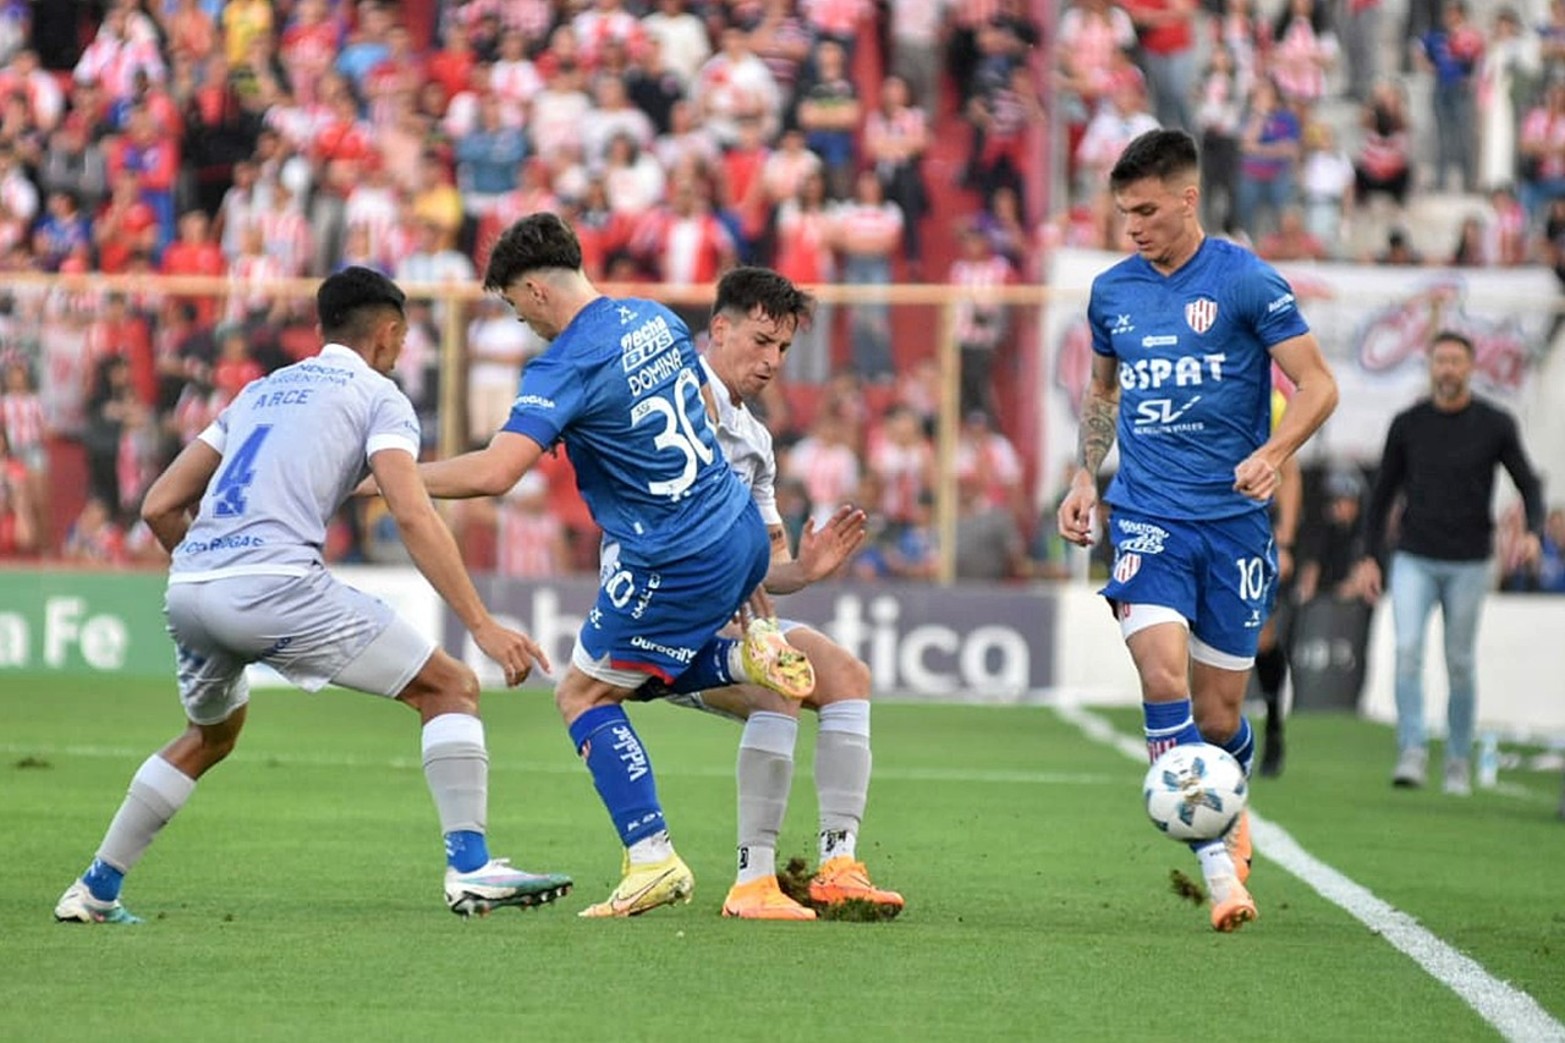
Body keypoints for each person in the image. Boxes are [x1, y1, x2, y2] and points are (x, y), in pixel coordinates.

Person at [54, 268, 573, 925]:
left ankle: (96, 888)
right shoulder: (378, 395)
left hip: (189, 586)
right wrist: (481, 621)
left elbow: (160, 504)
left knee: (209, 735)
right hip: (275, 584)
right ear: (386, 336)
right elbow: (411, 512)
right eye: (403, 338)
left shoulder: (258, 391)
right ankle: (471, 867)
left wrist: (211, 567)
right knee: (450, 685)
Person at [398, 213, 816, 918]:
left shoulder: (566, 363)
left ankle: (651, 858)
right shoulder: (653, 319)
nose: (522, 322)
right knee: (639, 674)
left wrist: (396, 477)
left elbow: (498, 472)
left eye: (511, 305)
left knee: (582, 695)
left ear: (532, 289)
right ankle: (746, 662)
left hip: (674, 552)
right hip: (735, 524)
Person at [1056, 129, 1338, 933]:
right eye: (1121, 213)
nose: (1132, 227)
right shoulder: (1112, 291)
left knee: (1218, 719)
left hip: (1236, 529)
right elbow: (1103, 392)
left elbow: (1318, 383)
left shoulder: (1247, 282)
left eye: (1146, 210)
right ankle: (1216, 862)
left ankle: (1228, 804)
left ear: (1188, 199)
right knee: (1159, 677)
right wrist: (1084, 475)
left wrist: (1276, 451)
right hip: (1148, 517)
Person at [635, 266, 900, 920]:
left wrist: (806, 568)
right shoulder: (667, 403)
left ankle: (836, 863)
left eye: (782, 348)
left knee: (844, 674)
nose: (771, 360)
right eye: (760, 341)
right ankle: (753, 879)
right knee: (778, 681)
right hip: (657, 619)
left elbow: (768, 565)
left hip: (725, 623)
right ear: (718, 329)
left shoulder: (753, 440)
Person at [1354, 330, 1546, 795]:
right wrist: (1368, 556)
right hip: (1414, 556)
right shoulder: (1408, 423)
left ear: (1471, 367)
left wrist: (1533, 533)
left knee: (1459, 662)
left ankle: (1458, 758)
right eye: (1440, 360)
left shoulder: (1495, 424)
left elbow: (1530, 484)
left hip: (1470, 560)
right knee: (1406, 653)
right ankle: (1412, 751)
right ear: (1430, 365)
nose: (1448, 369)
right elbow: (1380, 497)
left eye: (1456, 361)